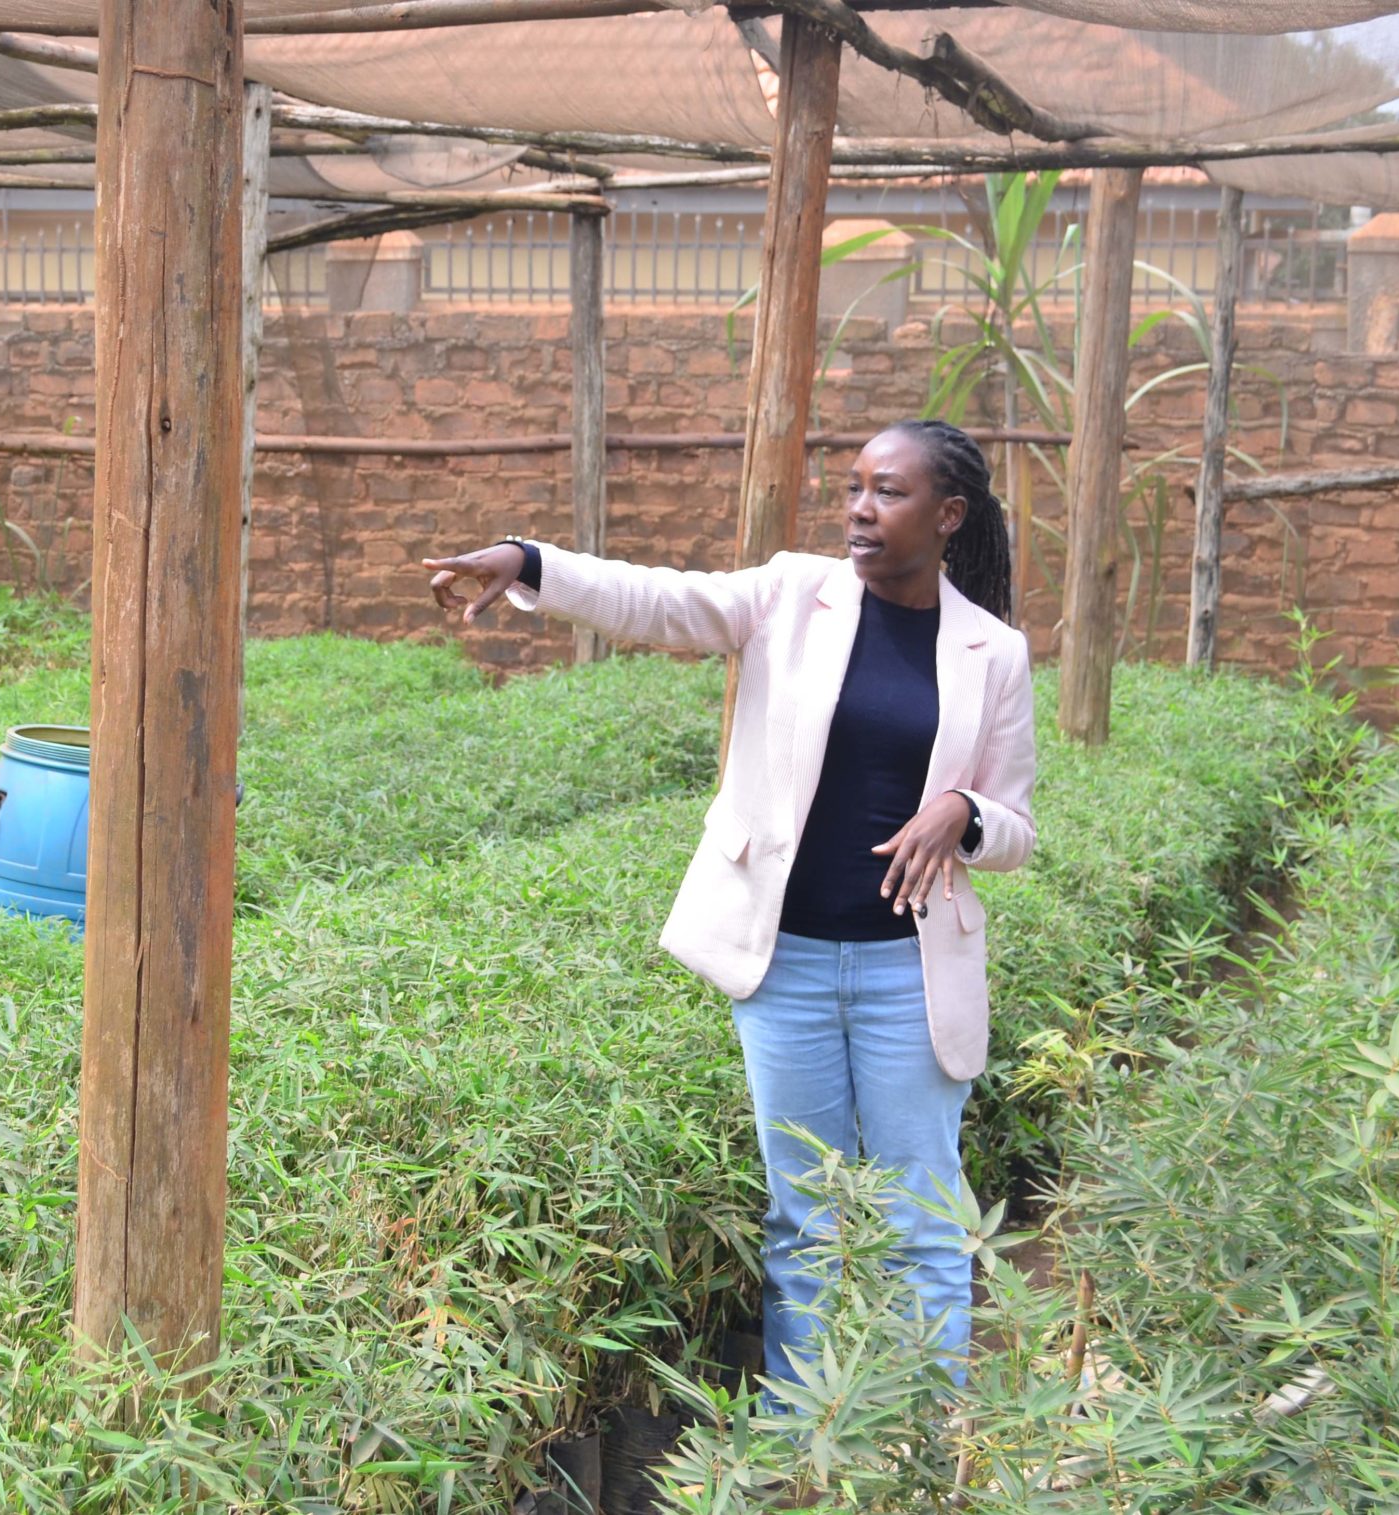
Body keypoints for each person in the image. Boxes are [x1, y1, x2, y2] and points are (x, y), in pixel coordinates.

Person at [420, 418, 1038, 1394]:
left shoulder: (991, 652)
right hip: (783, 963)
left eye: (887, 492)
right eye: (852, 490)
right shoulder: (793, 593)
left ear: (948, 514)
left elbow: (1016, 829)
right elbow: (660, 601)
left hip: (905, 975)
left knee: (923, 1218)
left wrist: (962, 814)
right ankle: (810, 1431)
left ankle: (926, 1440)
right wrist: (530, 559)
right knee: (806, 1217)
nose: (859, 511)